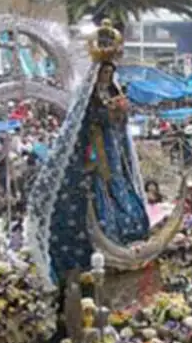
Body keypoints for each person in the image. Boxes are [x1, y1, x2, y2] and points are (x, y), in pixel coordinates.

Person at [35, 30, 150, 277]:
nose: (107, 77)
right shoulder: (89, 97)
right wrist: (106, 114)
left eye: (110, 73)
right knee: (98, 184)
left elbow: (120, 124)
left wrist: (119, 114)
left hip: (113, 147)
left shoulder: (114, 93)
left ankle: (127, 227)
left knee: (117, 181)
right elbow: (82, 122)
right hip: (94, 146)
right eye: (104, 73)